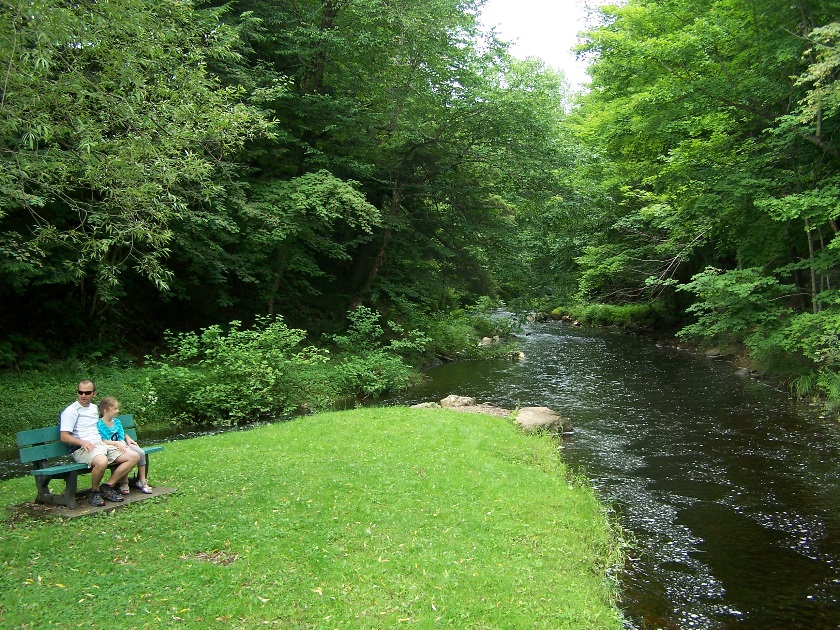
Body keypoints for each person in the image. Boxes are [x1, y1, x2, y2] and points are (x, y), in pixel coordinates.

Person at [59, 380, 140, 506]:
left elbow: (108, 424)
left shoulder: (95, 409)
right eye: (80, 392)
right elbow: (64, 437)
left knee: (134, 456)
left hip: (102, 444)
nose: (83, 395)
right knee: (102, 461)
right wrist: (81, 442)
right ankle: (95, 492)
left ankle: (107, 486)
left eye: (87, 392)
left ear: (94, 394)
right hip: (82, 448)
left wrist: (126, 437)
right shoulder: (71, 411)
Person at [97, 396, 153, 494]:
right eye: (115, 409)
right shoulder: (100, 424)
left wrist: (122, 442)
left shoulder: (117, 422)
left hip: (122, 444)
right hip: (111, 447)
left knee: (140, 452)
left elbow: (121, 435)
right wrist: (118, 443)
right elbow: (104, 440)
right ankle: (123, 482)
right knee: (128, 455)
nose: (117, 411)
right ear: (106, 410)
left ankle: (142, 481)